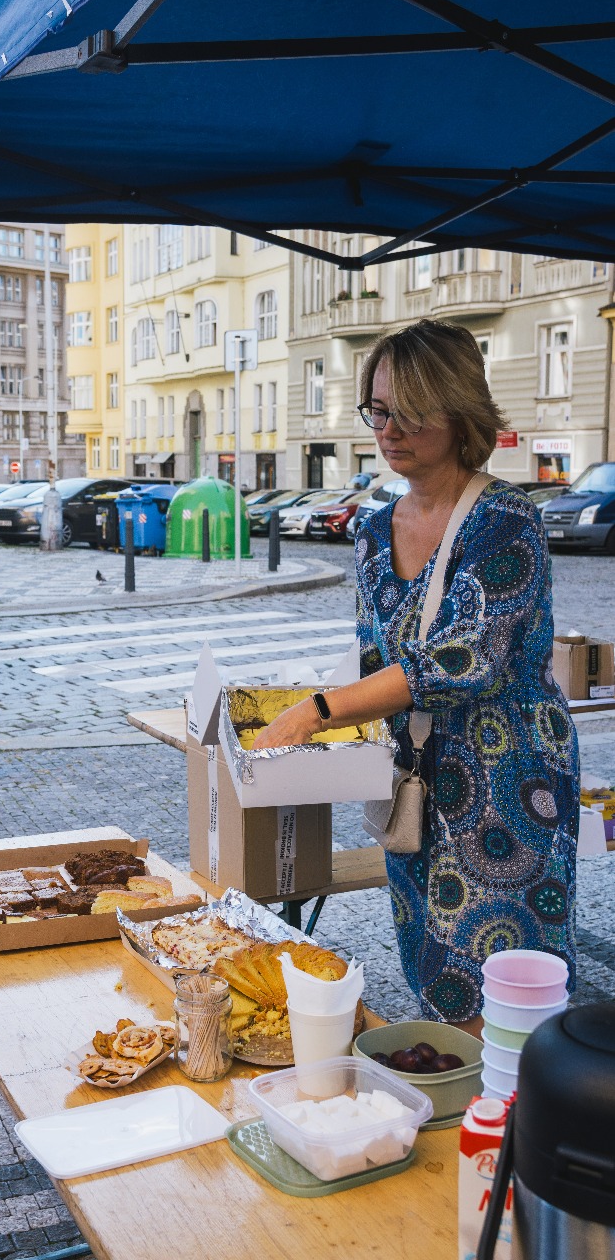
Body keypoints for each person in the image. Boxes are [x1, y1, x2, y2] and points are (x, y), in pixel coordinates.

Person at [254, 319, 578, 1034]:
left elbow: (466, 660)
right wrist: (326, 724)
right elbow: (378, 659)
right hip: (414, 779)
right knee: (431, 959)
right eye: (377, 410)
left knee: (501, 980)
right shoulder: (374, 529)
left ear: (459, 411)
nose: (389, 430)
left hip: (503, 782)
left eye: (410, 412)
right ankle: (455, 1083)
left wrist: (317, 710)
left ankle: (509, 1098)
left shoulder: (505, 519)